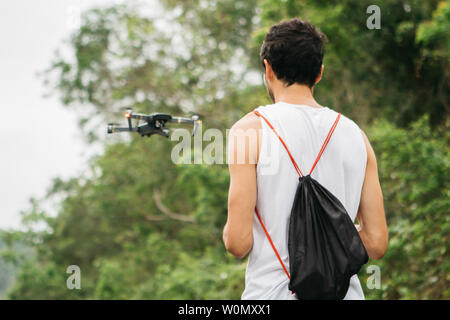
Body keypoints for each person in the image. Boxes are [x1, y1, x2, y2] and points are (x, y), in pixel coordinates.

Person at [222, 18, 388, 300]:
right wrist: (326, 241)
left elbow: (238, 243)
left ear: (268, 68)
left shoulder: (249, 130)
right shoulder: (356, 136)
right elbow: (376, 243)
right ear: (319, 73)